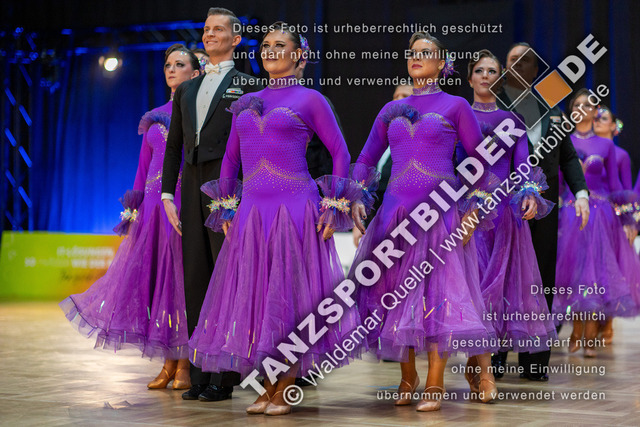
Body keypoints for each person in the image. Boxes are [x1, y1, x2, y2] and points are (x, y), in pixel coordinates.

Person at [188, 22, 359, 416]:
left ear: (299, 55)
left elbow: (340, 153)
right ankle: (267, 386)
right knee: (258, 298)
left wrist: (335, 203)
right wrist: (225, 204)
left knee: (291, 300)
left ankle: (285, 385)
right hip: (252, 212)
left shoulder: (311, 99)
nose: (269, 50)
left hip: (294, 209)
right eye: (265, 44)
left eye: (279, 45)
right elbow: (230, 159)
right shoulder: (247, 101)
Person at [350, 32, 497, 411]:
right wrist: (356, 197)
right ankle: (407, 375)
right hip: (394, 215)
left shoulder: (456, 105)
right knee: (394, 294)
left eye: (425, 53)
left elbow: (480, 161)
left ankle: (434, 382)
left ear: (442, 63)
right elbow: (366, 158)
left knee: (438, 296)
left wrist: (473, 210)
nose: (416, 58)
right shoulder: (391, 109)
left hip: (440, 215)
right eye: (412, 53)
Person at [60, 44, 201, 390]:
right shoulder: (154, 115)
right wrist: (133, 209)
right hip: (152, 207)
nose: (171, 70)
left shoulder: (200, 115)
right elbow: (142, 168)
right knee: (156, 288)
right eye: (168, 65)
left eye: (179, 64)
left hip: (181, 205)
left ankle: (184, 363)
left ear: (196, 73)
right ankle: (168, 361)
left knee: (180, 286)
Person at [161, 7, 262, 402]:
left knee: (227, 277)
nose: (210, 34)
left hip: (227, 188)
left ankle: (225, 375)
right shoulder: (187, 89)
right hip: (190, 187)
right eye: (206, 29)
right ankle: (200, 372)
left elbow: (254, 146)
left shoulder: (249, 86)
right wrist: (167, 194)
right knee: (196, 278)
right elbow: (173, 146)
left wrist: (243, 196)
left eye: (218, 29)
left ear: (235, 39)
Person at [496, 42, 589, 379]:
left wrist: (581, 194)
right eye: (513, 60)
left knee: (541, 280)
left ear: (536, 70)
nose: (519, 66)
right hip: (504, 207)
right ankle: (495, 355)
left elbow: (568, 157)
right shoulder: (493, 106)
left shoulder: (553, 109)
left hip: (546, 210)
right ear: (505, 68)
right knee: (501, 277)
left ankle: (534, 361)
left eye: (527, 62)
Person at [464, 49, 557, 380]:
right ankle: (479, 360)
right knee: (473, 284)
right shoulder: (459, 115)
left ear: (500, 79)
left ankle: (488, 362)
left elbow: (522, 165)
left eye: (492, 71)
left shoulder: (512, 121)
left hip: (504, 213)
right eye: (479, 70)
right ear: (470, 78)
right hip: (469, 212)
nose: (486, 76)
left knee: (502, 286)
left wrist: (529, 193)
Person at [554, 89, 638, 357]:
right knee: (574, 273)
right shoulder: (562, 140)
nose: (582, 109)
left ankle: (590, 336)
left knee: (597, 274)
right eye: (576, 104)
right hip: (571, 214)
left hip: (600, 215)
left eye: (587, 105)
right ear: (571, 110)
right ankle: (576, 329)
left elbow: (614, 185)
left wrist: (628, 219)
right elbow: (558, 183)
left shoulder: (606, 146)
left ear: (594, 110)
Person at [352, 83, 413, 248]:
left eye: (405, 96)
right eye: (395, 96)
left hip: (407, 224)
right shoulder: (382, 140)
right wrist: (360, 223)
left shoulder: (421, 142)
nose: (398, 100)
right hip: (378, 223)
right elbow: (369, 184)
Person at [593, 106, 633, 343]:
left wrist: (629, 221)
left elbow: (625, 189)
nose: (598, 120)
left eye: (604, 118)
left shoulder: (621, 155)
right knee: (590, 267)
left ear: (613, 126)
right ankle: (592, 318)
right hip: (588, 215)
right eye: (596, 117)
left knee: (608, 267)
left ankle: (607, 319)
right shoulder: (586, 148)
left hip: (610, 216)